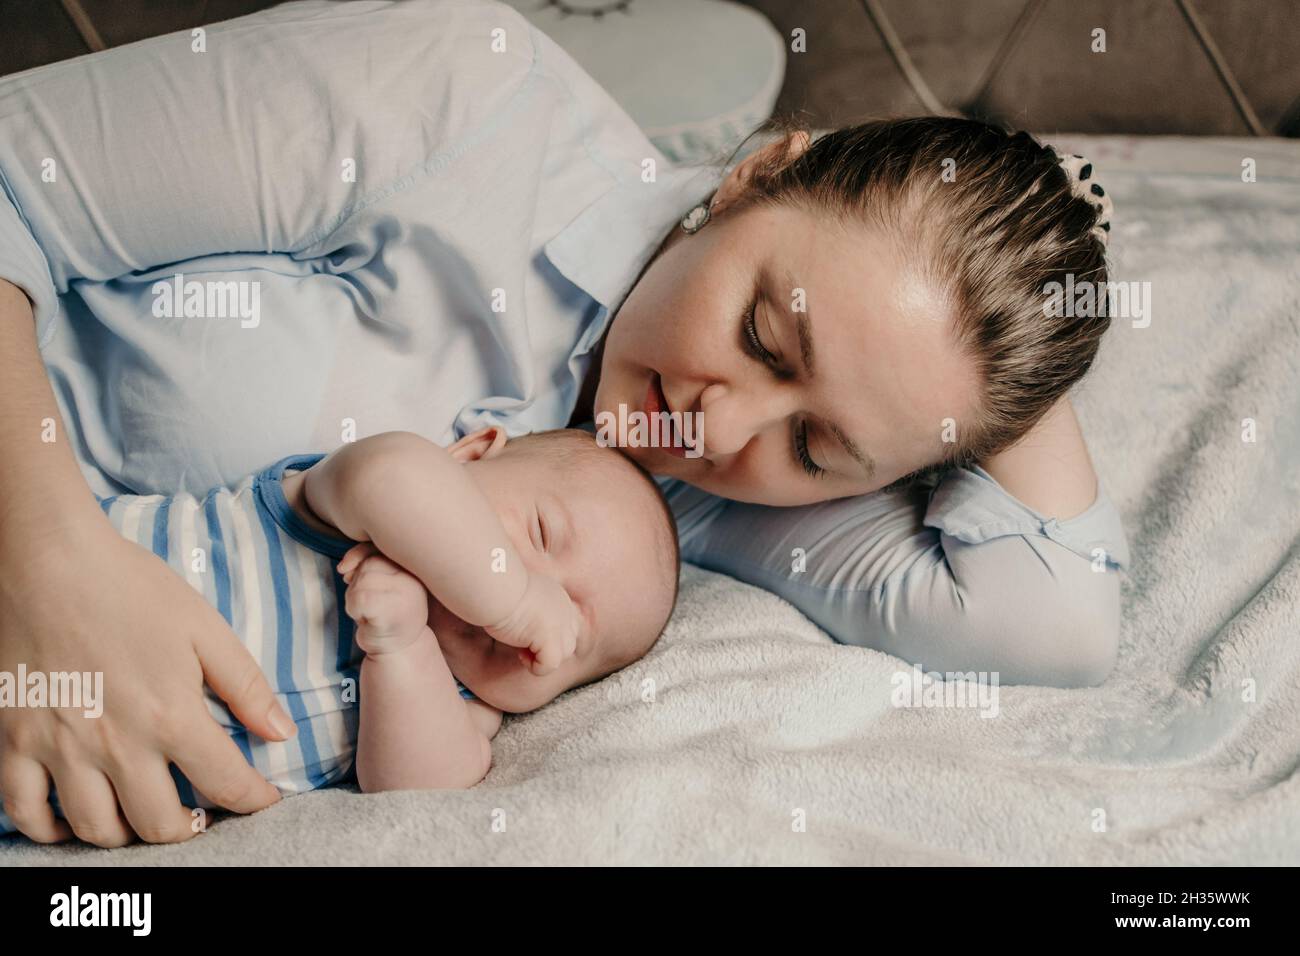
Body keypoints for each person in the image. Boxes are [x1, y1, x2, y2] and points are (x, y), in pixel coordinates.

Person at [0, 0, 1127, 846]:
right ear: (753, 177)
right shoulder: (454, 92)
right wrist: (45, 572)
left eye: (817, 445)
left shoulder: (685, 507)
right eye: (761, 335)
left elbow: (1057, 622)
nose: (714, 426)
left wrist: (1019, 291)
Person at [0, 425, 679, 837]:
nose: (545, 603)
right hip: (37, 602)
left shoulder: (464, 710)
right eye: (540, 533)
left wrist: (402, 648)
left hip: (40, 781)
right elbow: (396, 475)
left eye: (574, 641)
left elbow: (415, 793)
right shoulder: (344, 505)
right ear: (469, 456)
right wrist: (517, 598)